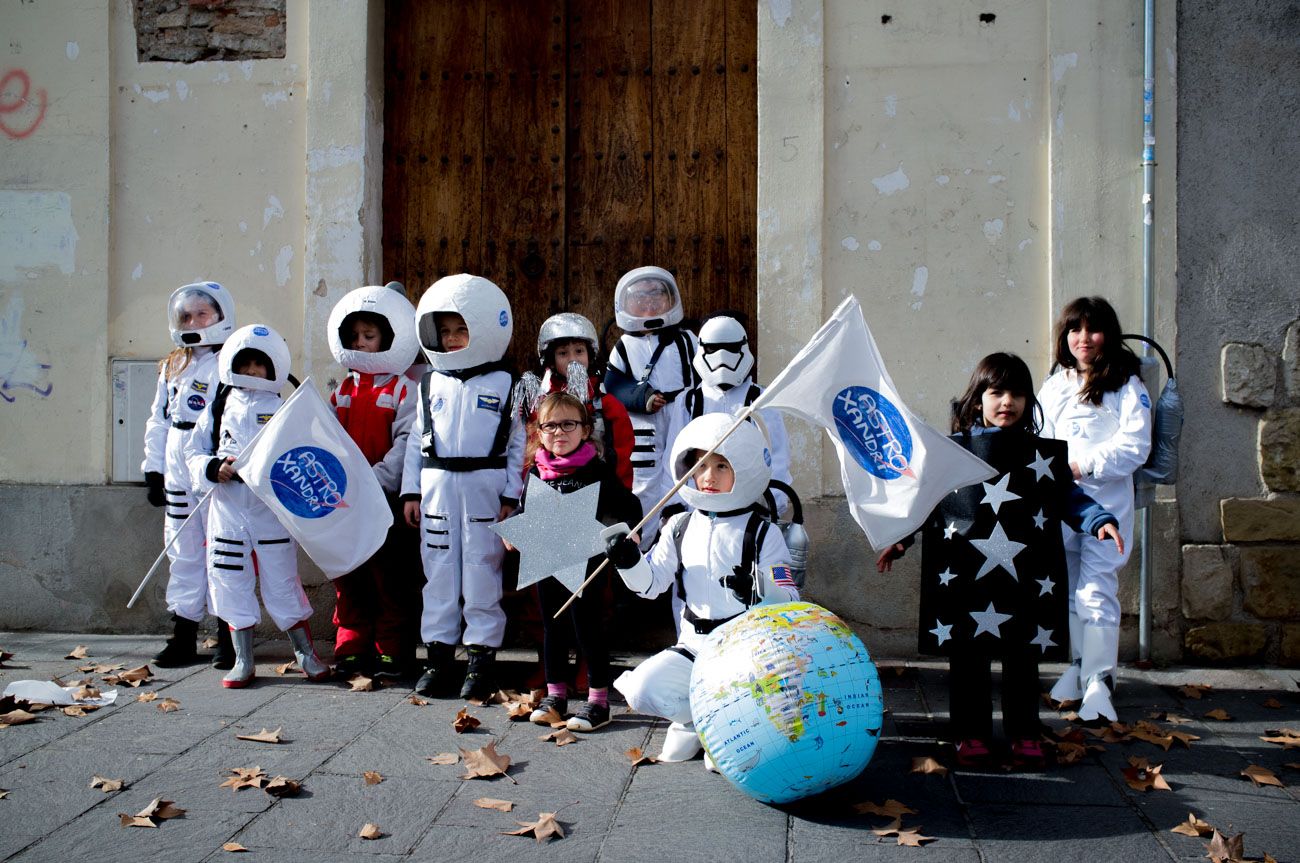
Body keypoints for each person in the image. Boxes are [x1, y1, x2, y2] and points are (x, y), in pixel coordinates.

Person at [877, 353, 1124, 768]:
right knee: (969, 661)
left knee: (1022, 660)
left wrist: (1098, 520)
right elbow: (925, 502)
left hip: (1025, 580)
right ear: (978, 399)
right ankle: (968, 735)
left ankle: (1024, 733)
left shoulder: (1041, 456)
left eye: (1017, 393)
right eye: (997, 392)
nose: (1007, 401)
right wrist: (899, 540)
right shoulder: (952, 453)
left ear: (1028, 400)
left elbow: (1069, 496)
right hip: (965, 579)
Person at [604, 413, 798, 765]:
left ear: (745, 468)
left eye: (722, 466)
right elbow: (651, 585)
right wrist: (628, 560)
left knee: (724, 760)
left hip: (744, 654)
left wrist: (756, 588)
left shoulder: (762, 532)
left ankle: (726, 725)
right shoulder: (678, 525)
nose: (708, 477)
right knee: (640, 688)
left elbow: (791, 598)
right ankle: (698, 720)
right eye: (701, 464)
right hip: (693, 645)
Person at [184, 324, 330, 688]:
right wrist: (212, 468)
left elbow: (304, 452)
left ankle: (306, 654)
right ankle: (243, 659)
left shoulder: (284, 408)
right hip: (228, 509)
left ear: (274, 367)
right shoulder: (219, 407)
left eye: (258, 366)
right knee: (230, 580)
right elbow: (193, 452)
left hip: (271, 510)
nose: (250, 373)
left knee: (282, 582)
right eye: (244, 365)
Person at [401, 274, 524, 700]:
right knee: (437, 573)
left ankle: (480, 660)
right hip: (436, 487)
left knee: (480, 571)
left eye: (462, 330)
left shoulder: (507, 384)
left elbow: (517, 445)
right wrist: (411, 492)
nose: (453, 339)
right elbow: (416, 442)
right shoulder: (430, 382)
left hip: (484, 488)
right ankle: (437, 658)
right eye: (446, 331)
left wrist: (512, 495)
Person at [1037, 297, 1152, 722]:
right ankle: (1079, 667)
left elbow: (1136, 446)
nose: (1083, 339)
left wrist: (1082, 465)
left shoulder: (1125, 385)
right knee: (1070, 591)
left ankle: (1101, 681)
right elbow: (1041, 437)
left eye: (1092, 329)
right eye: (1074, 330)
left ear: (1108, 334)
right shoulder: (1055, 385)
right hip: (1063, 505)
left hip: (1105, 505)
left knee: (1095, 590)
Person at [505, 393, 642, 731]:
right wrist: (515, 530)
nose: (559, 433)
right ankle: (556, 694)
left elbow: (627, 506)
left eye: (568, 424)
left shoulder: (596, 470)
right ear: (539, 431)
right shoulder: (537, 470)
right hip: (548, 560)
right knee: (552, 626)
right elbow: (527, 508)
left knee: (588, 627)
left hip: (586, 563)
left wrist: (629, 531)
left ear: (584, 429)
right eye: (550, 426)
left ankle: (597, 700)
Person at [325, 284, 420, 680]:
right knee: (350, 575)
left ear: (389, 338)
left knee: (390, 577)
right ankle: (351, 642)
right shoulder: (342, 389)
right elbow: (326, 437)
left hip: (385, 499)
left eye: (370, 336)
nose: (361, 344)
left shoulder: (403, 388)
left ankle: (392, 647)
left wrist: (378, 481)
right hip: (347, 502)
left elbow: (406, 441)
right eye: (355, 338)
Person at [142, 281, 237, 669]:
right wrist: (153, 469)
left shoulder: (231, 359)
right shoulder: (172, 365)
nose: (194, 321)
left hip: (213, 463)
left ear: (220, 316)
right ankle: (183, 634)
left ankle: (229, 634)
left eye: (202, 314)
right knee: (181, 551)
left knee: (223, 549)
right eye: (186, 315)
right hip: (177, 462)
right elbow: (158, 419)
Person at [603, 267, 699, 546]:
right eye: (640, 299)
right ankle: (642, 550)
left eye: (657, 296)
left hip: (682, 415)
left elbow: (703, 372)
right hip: (643, 425)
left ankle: (680, 546)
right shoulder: (624, 345)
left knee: (684, 476)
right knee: (643, 484)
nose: (649, 304)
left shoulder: (686, 341)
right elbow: (614, 383)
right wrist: (642, 397)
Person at [516, 312, 635, 489]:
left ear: (590, 355)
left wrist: (620, 499)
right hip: (548, 496)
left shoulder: (608, 406)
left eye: (579, 351)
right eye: (563, 353)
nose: (573, 359)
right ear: (551, 359)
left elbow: (622, 456)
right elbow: (528, 455)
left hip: (598, 497)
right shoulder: (540, 407)